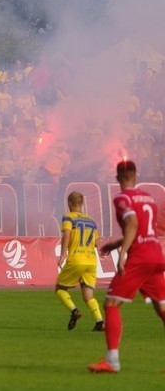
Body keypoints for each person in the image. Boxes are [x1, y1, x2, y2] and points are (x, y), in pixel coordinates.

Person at [88, 160, 165, 373]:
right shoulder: (148, 198)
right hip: (156, 255)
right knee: (162, 308)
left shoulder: (121, 198)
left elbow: (132, 223)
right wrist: (117, 243)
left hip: (139, 257)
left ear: (118, 178)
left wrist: (122, 253)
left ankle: (112, 361)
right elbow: (143, 227)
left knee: (111, 304)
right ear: (136, 176)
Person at [55, 191, 103, 331]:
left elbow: (67, 235)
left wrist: (63, 253)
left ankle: (74, 310)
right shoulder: (91, 221)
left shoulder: (68, 217)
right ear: (81, 204)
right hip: (91, 261)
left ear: (69, 203)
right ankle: (99, 321)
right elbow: (96, 243)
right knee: (88, 295)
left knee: (60, 288)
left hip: (77, 259)